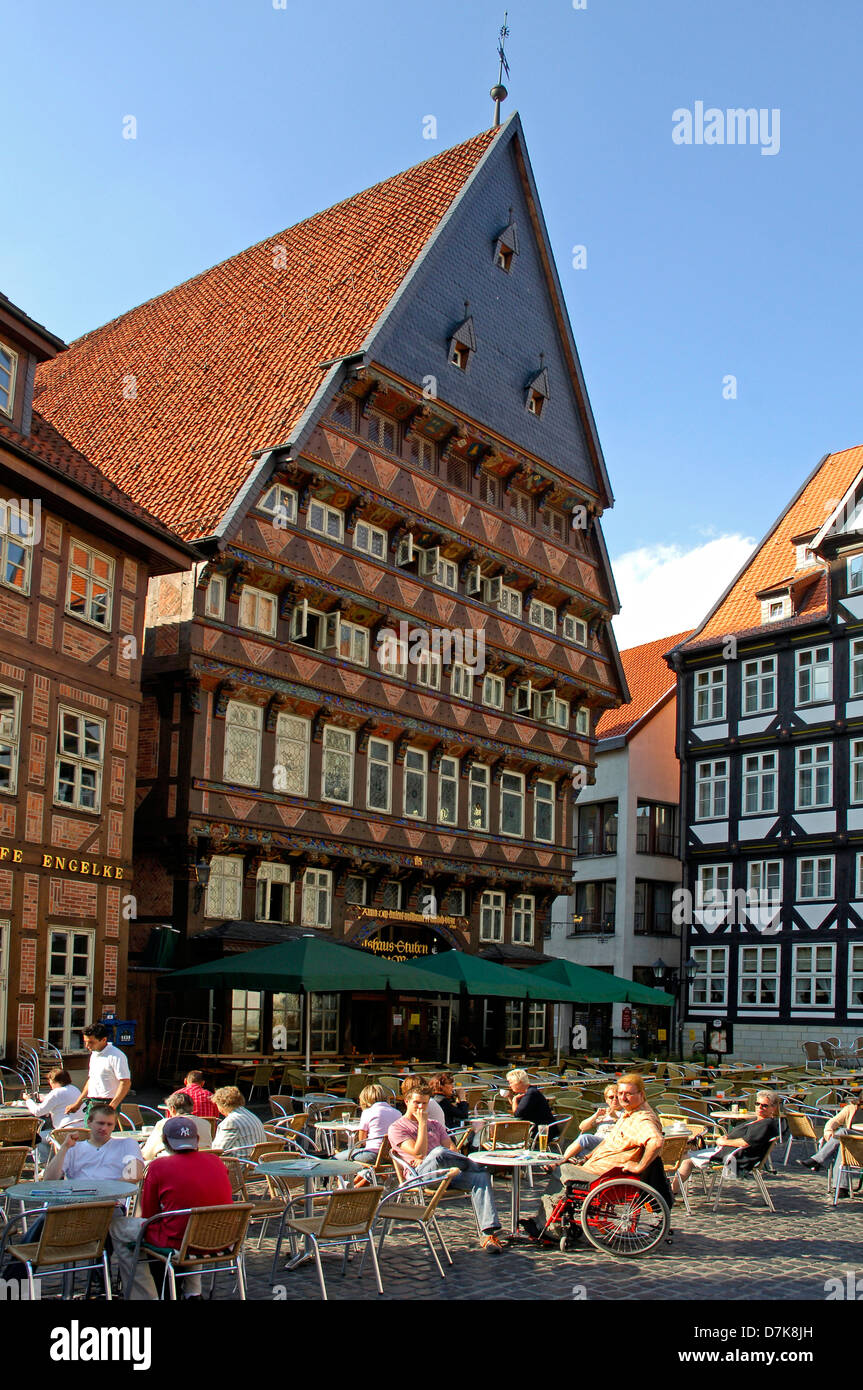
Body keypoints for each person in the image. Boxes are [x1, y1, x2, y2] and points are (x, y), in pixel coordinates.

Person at [519, 1073, 664, 1239]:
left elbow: (656, 1141)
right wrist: (586, 1158)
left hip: (604, 1175)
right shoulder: (629, 1113)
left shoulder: (642, 1119)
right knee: (561, 1166)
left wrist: (640, 1166)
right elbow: (609, 1141)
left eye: (628, 1094)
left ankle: (549, 1229)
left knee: (560, 1171)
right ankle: (548, 1222)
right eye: (620, 1093)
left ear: (642, 1095)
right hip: (597, 1166)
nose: (623, 1098)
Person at [41, 1101, 151, 1298]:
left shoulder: (125, 1143)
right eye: (100, 1123)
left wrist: (102, 1189)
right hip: (75, 1206)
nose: (104, 1128)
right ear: (89, 1123)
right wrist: (64, 1148)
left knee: (106, 1220)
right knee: (45, 1218)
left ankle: (100, 1280)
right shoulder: (75, 1148)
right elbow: (49, 1179)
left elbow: (134, 1173)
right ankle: (18, 1270)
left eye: (110, 1124)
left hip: (107, 1205)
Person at [388, 1083, 505, 1254]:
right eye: (417, 1103)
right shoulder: (397, 1127)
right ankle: (480, 1164)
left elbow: (453, 1150)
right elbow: (418, 1152)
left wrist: (437, 1156)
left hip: (447, 1173)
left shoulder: (435, 1124)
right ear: (407, 1102)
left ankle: (488, 1234)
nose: (421, 1107)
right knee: (437, 1152)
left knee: (481, 1176)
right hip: (419, 1177)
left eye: (424, 1104)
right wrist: (421, 1125)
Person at [137, 1115, 233, 1298]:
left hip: (180, 1243)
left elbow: (148, 1215)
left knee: (122, 1231)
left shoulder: (158, 1166)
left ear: (165, 1142)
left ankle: (146, 1294)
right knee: (194, 1225)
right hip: (222, 1239)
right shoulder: (216, 1161)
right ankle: (192, 1292)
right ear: (197, 1140)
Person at [670, 1091, 781, 1196]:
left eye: (764, 1105)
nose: (760, 1107)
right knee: (687, 1152)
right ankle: (670, 1188)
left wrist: (724, 1141)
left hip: (735, 1158)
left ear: (773, 1108)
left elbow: (745, 1143)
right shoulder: (757, 1121)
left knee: (687, 1160)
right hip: (729, 1152)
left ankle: (671, 1192)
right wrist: (726, 1137)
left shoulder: (766, 1124)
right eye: (757, 1104)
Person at [799, 1088, 863, 1194]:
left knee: (843, 1132)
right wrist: (829, 1133)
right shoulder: (851, 1109)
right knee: (842, 1145)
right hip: (852, 1150)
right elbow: (833, 1122)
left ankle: (818, 1160)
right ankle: (841, 1189)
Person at [66, 1023, 131, 1117]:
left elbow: (125, 1083)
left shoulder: (117, 1056)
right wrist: (77, 1104)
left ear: (104, 1040)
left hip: (107, 1103)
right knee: (87, 1131)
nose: (87, 1045)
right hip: (92, 1103)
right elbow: (91, 1081)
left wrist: (111, 1107)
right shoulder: (94, 1054)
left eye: (91, 1042)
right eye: (85, 1041)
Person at [141, 1091, 213, 1161]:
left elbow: (148, 1153)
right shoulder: (206, 1124)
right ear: (192, 1108)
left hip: (170, 1165)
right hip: (201, 1164)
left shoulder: (164, 1124)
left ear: (172, 1109)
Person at [342, 1084, 400, 1164]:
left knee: (336, 1159)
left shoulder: (368, 1112)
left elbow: (362, 1141)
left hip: (372, 1154)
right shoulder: (398, 1113)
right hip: (392, 1157)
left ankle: (336, 1176)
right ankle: (365, 1175)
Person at [565, 1084, 621, 1159]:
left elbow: (626, 1127)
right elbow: (582, 1127)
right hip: (595, 1143)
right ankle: (564, 1162)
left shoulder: (626, 1113)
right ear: (606, 1100)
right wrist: (596, 1115)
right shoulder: (604, 1113)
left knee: (584, 1138)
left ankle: (561, 1160)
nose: (615, 1099)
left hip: (610, 1143)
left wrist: (615, 1117)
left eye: (617, 1097)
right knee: (581, 1152)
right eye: (611, 1097)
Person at [24, 1067, 85, 1133]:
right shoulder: (74, 1088)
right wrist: (45, 1098)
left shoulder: (56, 1092)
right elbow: (62, 1102)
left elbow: (38, 1112)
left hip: (66, 1131)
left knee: (37, 1137)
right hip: (82, 1129)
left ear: (53, 1081)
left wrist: (28, 1100)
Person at [211, 1085, 267, 1154]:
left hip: (239, 1163)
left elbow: (217, 1150)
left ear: (221, 1105)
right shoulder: (250, 1115)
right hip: (256, 1161)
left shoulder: (230, 1122)